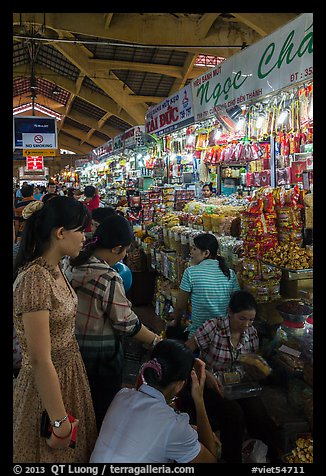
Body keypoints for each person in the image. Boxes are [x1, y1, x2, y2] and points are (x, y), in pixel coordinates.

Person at [13, 197, 97, 463]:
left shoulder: (56, 268)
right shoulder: (35, 278)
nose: (85, 237)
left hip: (68, 375)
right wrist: (59, 421)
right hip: (46, 387)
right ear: (60, 233)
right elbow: (39, 359)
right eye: (80, 230)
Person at [65, 214, 163, 430]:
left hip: (72, 354)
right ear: (116, 248)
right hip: (101, 362)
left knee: (78, 408)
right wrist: (156, 340)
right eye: (125, 250)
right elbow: (127, 324)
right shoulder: (107, 278)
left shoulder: (71, 264)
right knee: (101, 413)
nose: (125, 256)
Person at [183, 290, 281, 463]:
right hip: (210, 384)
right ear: (230, 312)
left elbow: (248, 362)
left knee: (257, 411)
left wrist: (254, 369)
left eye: (251, 320)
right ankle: (231, 458)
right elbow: (184, 352)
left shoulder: (251, 333)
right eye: (242, 318)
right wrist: (205, 373)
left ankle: (272, 455)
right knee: (233, 414)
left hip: (237, 385)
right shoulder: (213, 327)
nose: (246, 324)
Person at [89, 339, 219, 463]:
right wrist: (199, 400)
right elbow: (210, 459)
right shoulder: (174, 426)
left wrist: (188, 429)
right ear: (180, 384)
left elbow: (150, 426)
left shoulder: (122, 395)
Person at [167, 233, 240, 339]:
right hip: (223, 333)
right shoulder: (230, 273)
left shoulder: (190, 272)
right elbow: (236, 303)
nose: (191, 252)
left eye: (194, 249)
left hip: (199, 334)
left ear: (206, 253)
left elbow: (180, 306)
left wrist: (176, 322)